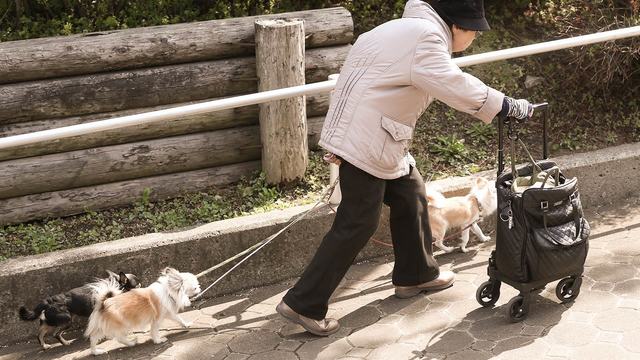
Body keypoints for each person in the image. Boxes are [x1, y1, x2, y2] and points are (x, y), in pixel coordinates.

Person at [276, 0, 534, 336]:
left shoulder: (395, 30)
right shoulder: (426, 39)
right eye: (474, 31)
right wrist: (506, 105)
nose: (474, 38)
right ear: (459, 25)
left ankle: (417, 274)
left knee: (411, 193)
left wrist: (339, 139)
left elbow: (353, 85)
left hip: (374, 136)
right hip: (370, 139)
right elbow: (453, 84)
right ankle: (303, 303)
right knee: (358, 221)